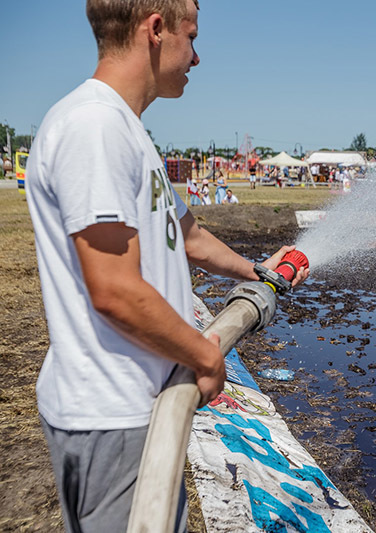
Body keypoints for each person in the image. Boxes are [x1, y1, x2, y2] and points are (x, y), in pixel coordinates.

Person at [24, 2, 308, 532]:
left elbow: (188, 235)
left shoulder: (126, 130)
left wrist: (256, 271)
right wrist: (204, 354)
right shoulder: (95, 127)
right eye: (192, 38)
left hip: (137, 409)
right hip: (112, 414)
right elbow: (114, 289)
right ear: (156, 30)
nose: (197, 58)